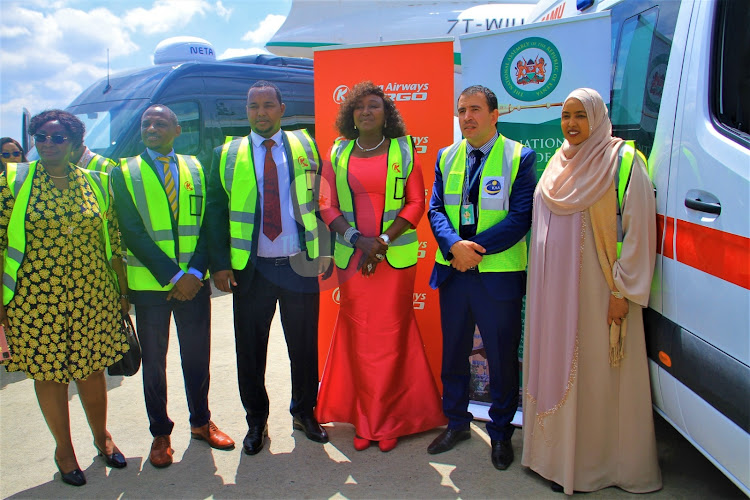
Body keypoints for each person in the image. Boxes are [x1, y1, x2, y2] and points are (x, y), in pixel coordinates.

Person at [522, 88, 661, 494]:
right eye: (566, 116)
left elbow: (638, 233)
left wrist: (623, 291)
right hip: (553, 295)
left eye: (581, 115)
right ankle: (551, 459)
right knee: (555, 368)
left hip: (601, 293)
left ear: (598, 117)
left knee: (599, 379)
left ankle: (596, 467)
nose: (571, 124)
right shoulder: (557, 162)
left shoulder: (622, 162)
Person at [314, 81, 447, 452]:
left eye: (374, 106)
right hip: (354, 260)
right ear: (350, 115)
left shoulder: (405, 150)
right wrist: (359, 241)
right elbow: (326, 205)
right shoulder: (337, 151)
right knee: (360, 337)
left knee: (390, 336)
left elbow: (416, 203)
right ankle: (364, 419)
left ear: (386, 113)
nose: (366, 112)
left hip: (394, 259)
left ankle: (386, 420)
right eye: (359, 107)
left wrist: (382, 242)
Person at [0, 110, 129, 486]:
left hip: (93, 293)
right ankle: (64, 450)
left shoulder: (97, 183)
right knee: (50, 373)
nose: (47, 144)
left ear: (74, 143)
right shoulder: (13, 183)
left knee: (92, 369)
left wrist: (121, 293)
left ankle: (102, 436)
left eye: (57, 138)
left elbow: (114, 242)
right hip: (34, 298)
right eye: (41, 137)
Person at [206, 80, 330, 455]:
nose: (261, 112)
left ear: (281, 109)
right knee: (250, 349)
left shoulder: (306, 145)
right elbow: (215, 212)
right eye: (253, 106)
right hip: (252, 268)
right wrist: (221, 264)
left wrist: (323, 251)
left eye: (267, 105)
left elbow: (321, 200)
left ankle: (304, 411)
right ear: (247, 111)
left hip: (299, 264)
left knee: (304, 346)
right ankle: (256, 420)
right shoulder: (227, 153)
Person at [111, 104, 234, 469]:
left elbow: (209, 221)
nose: (152, 127)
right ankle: (160, 433)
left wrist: (195, 272)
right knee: (155, 364)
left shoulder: (196, 167)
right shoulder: (125, 172)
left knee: (197, 357)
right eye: (146, 122)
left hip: (194, 284)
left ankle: (200, 422)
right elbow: (131, 231)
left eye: (160, 122)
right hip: (152, 287)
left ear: (177, 129)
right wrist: (174, 276)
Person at [427, 85, 537, 470]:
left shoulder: (520, 156)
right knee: (454, 353)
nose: (467, 117)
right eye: (461, 110)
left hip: (497, 276)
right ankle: (456, 422)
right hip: (454, 273)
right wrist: (454, 246)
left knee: (502, 359)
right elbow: (436, 208)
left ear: (494, 115)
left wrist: (473, 251)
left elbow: (520, 217)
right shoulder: (446, 156)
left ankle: (502, 432)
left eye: (475, 110)